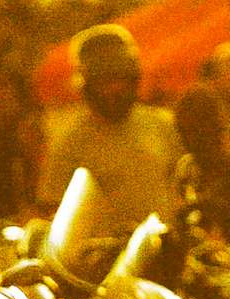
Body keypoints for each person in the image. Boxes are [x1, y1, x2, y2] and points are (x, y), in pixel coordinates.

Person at [37, 24, 183, 227]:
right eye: (105, 82)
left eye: (121, 79)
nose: (115, 89)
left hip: (162, 248)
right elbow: (51, 209)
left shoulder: (160, 125)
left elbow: (181, 187)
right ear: (87, 85)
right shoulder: (71, 144)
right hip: (101, 255)